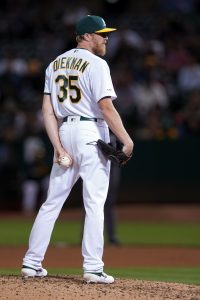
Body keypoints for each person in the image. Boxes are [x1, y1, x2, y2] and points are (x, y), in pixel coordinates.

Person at [21, 15, 133, 284]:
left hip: (65, 131)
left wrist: (58, 146)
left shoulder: (54, 64)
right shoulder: (97, 64)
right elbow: (106, 107)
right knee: (95, 201)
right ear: (86, 36)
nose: (106, 38)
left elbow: (47, 111)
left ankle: (31, 262)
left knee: (51, 202)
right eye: (101, 33)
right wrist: (127, 140)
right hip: (91, 131)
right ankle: (93, 267)